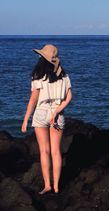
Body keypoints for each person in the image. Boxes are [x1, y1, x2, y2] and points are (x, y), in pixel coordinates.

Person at [21, 44, 73, 195]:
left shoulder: (38, 75)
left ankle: (47, 185)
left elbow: (33, 99)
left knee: (44, 151)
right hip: (57, 114)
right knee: (56, 152)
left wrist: (25, 120)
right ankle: (57, 187)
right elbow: (69, 97)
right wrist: (56, 111)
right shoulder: (64, 75)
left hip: (41, 113)